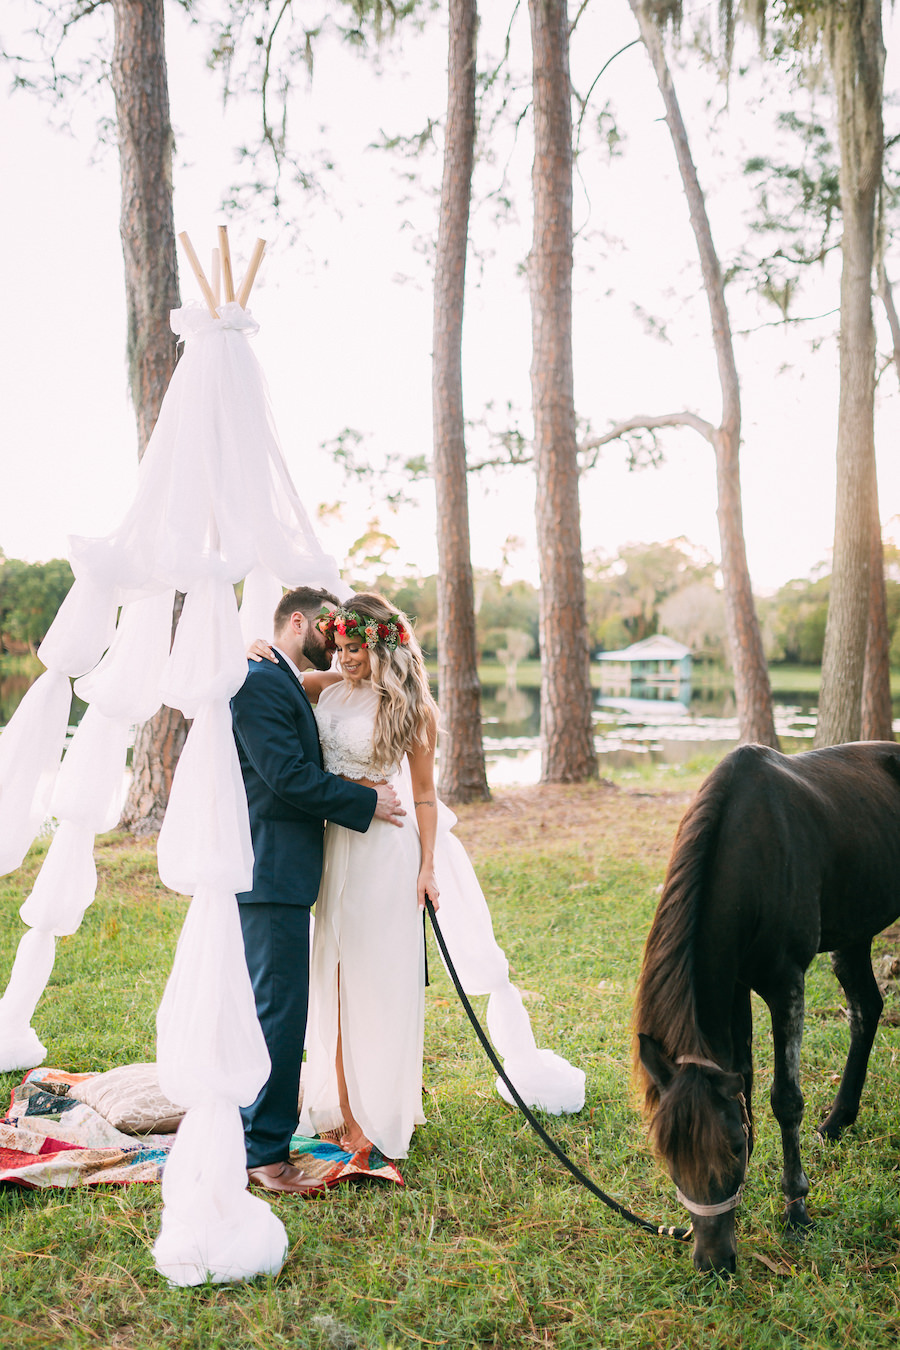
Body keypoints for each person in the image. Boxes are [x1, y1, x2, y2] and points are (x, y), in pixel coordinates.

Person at [248, 591, 440, 1160]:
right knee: (333, 977)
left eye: (356, 648)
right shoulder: (325, 686)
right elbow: (275, 679)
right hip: (333, 849)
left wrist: (429, 867)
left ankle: (372, 1115)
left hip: (384, 851)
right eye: (339, 646)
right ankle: (340, 1105)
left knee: (376, 979)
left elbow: (425, 797)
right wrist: (252, 647)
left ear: (385, 646)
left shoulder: (415, 710)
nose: (344, 658)